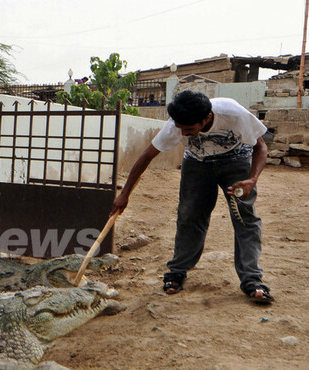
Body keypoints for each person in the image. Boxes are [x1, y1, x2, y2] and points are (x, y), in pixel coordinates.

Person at [111, 90, 273, 304]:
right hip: (197, 164)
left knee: (245, 218)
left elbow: (261, 146)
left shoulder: (233, 114)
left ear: (207, 118)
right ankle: (177, 271)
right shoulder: (176, 124)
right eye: (180, 128)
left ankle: (252, 280)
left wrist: (252, 179)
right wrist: (124, 194)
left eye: (188, 129)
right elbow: (146, 156)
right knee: (189, 216)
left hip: (236, 162)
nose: (183, 133)